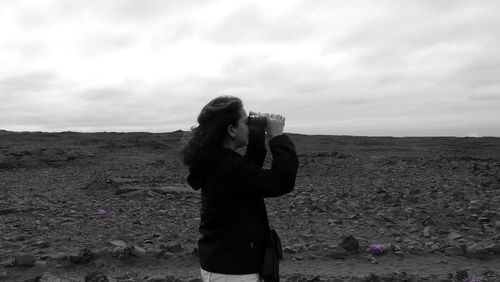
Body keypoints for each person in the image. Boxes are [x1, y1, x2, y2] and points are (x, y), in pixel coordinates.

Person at [179, 95, 299, 281]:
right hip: (233, 272)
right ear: (231, 130)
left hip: (225, 264)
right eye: (244, 122)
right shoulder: (229, 167)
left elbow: (248, 173)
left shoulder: (218, 161)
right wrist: (278, 137)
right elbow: (281, 181)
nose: (248, 126)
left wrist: (257, 135)